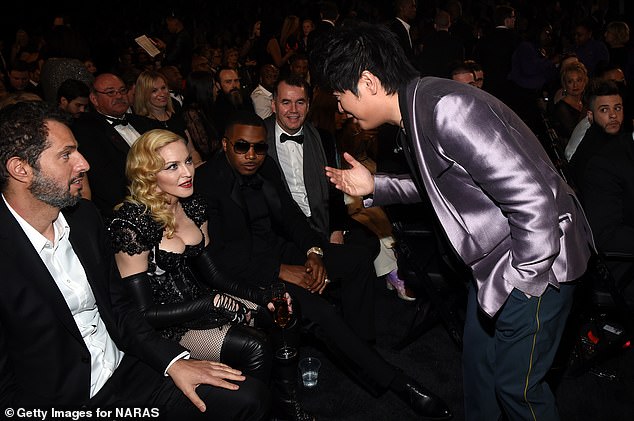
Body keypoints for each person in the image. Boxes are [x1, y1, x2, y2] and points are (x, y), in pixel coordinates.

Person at [312, 23, 594, 421]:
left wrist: (525, 280)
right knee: (479, 373)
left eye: (341, 98)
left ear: (368, 81)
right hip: (497, 268)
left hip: (538, 265)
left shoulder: (445, 108)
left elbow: (532, 199)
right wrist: (376, 184)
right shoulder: (418, 106)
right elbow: (444, 182)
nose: (341, 110)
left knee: (518, 389)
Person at [0, 101, 269, 419]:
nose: (84, 164)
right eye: (66, 154)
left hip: (130, 367)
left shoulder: (84, 219)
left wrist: (174, 363)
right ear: (21, 169)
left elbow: (121, 310)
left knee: (249, 396)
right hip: (63, 404)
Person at [194, 111, 452, 420]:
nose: (252, 155)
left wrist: (314, 252)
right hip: (249, 272)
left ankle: (361, 350)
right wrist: (280, 270)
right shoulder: (207, 181)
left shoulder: (266, 167)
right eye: (242, 147)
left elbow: (290, 216)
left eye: (259, 148)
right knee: (320, 310)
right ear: (225, 145)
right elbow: (219, 256)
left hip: (280, 251)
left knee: (357, 259)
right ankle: (398, 383)